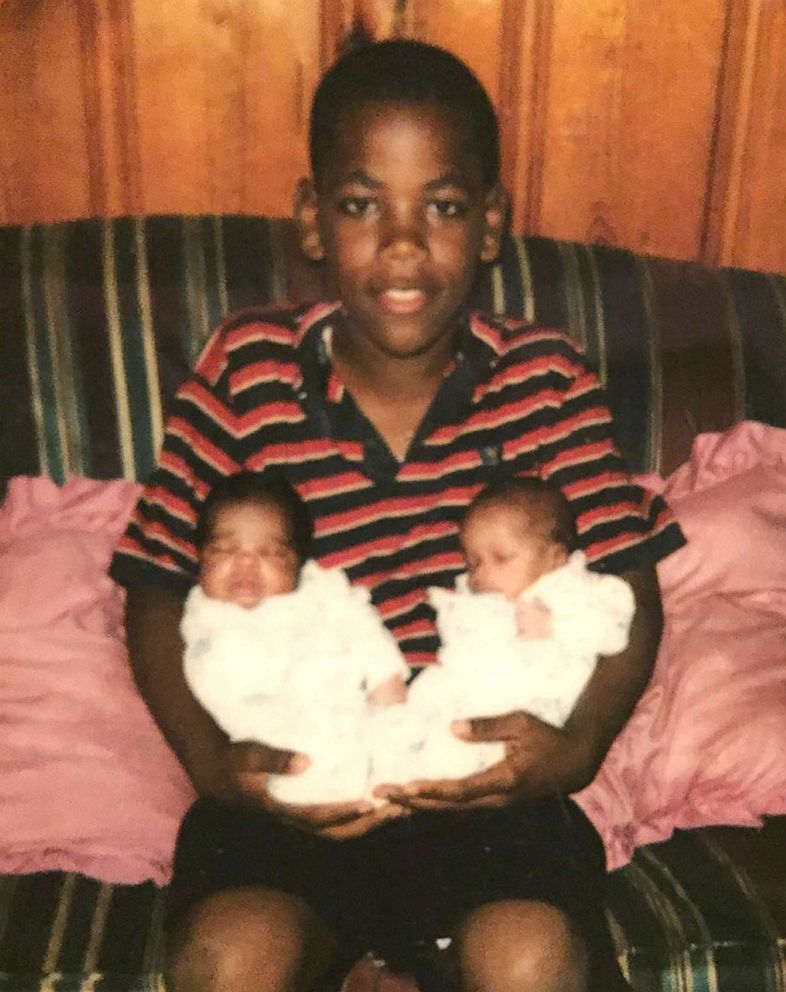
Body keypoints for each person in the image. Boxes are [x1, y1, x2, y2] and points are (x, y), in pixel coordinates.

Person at [111, 38, 685, 992]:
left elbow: (632, 586)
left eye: (444, 207)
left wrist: (572, 754)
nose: (404, 243)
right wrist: (219, 769)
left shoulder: (547, 380)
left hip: (485, 801)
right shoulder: (247, 369)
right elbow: (155, 591)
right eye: (362, 204)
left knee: (532, 959)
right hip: (298, 790)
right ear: (312, 219)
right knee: (230, 956)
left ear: (492, 225)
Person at [380, 475, 635, 785]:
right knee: (407, 723)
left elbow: (616, 631)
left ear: (554, 557)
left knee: (456, 758)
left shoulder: (578, 590)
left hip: (526, 708)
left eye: (501, 558)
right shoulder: (478, 598)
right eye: (472, 562)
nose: (481, 574)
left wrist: (557, 625)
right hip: (464, 692)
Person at [181, 471, 408, 805]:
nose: (245, 565)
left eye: (271, 554)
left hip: (360, 717)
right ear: (200, 558)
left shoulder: (322, 593)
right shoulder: (208, 623)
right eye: (224, 550)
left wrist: (387, 692)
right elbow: (223, 697)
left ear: (299, 565)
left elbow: (366, 635)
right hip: (279, 749)